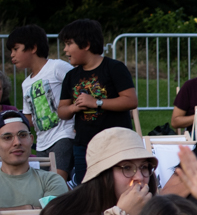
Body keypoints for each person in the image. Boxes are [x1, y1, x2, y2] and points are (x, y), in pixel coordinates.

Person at [56, 19, 138, 158]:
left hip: (116, 143)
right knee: (85, 181)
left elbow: (130, 101)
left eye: (69, 44)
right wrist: (73, 108)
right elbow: (62, 111)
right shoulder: (71, 76)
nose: (65, 49)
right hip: (84, 146)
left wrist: (96, 102)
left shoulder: (114, 68)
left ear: (86, 44)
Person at [7, 25, 75, 179]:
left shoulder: (57, 67)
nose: (12, 55)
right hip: (42, 143)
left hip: (63, 136)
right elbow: (29, 118)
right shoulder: (26, 84)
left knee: (57, 182)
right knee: (45, 185)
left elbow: (79, 89)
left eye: (16, 49)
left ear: (33, 48)